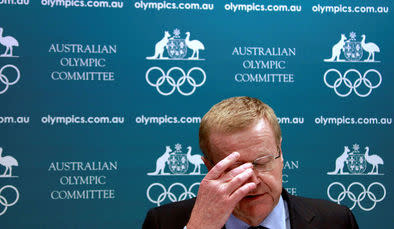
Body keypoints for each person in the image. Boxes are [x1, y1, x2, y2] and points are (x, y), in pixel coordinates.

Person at [142, 96, 359, 229]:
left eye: (262, 162)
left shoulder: (336, 221)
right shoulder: (164, 222)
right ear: (210, 169)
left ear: (280, 153)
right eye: (235, 168)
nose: (252, 181)